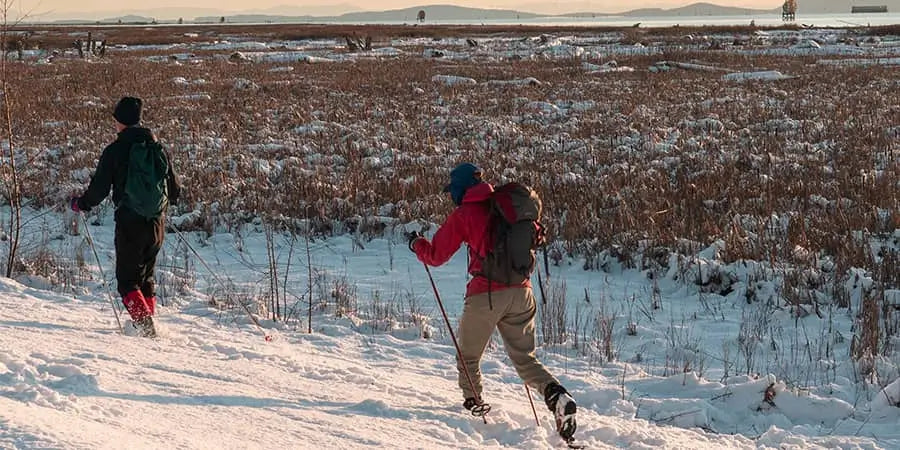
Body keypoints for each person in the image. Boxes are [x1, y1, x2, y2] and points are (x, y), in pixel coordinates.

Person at [408, 163, 577, 440]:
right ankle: (556, 395)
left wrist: (417, 245)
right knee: (525, 359)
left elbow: (436, 256)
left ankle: (474, 406)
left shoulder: (465, 213)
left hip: (486, 293)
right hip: (522, 292)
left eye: (452, 191)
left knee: (469, 355)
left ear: (460, 189)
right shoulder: (506, 209)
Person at [70, 96, 181, 337]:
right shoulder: (157, 147)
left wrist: (82, 204)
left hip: (131, 222)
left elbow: (99, 188)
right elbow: (174, 189)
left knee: (126, 281)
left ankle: (146, 329)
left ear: (120, 121)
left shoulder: (115, 150)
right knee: (145, 277)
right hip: (157, 222)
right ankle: (148, 323)